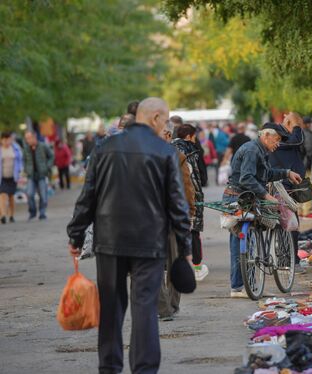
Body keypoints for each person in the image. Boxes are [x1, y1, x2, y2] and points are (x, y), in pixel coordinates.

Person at [67, 97, 192, 374]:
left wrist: (75, 235)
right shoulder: (164, 151)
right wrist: (184, 247)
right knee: (145, 306)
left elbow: (88, 196)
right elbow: (177, 205)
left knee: (111, 307)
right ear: (156, 118)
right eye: (166, 119)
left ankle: (109, 367)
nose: (166, 125)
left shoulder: (105, 147)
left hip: (109, 240)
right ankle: (144, 369)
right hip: (149, 241)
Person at [224, 124, 302, 297]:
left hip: (248, 197)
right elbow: (246, 178)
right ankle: (239, 287)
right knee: (241, 241)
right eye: (277, 139)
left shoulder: (260, 150)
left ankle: (246, 285)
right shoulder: (252, 150)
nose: (278, 144)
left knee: (247, 240)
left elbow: (265, 174)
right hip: (238, 198)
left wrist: (287, 173)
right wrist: (266, 195)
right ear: (266, 135)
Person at [157, 118, 196, 320]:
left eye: (165, 133)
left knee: (172, 262)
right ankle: (166, 307)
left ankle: (169, 305)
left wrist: (189, 213)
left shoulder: (177, 156)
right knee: (158, 263)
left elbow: (187, 188)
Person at [171, 118, 209, 282]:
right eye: (194, 137)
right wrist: (193, 203)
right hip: (188, 197)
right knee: (193, 231)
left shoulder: (169, 148)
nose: (196, 140)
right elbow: (191, 180)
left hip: (176, 198)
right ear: (188, 136)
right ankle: (196, 266)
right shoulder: (187, 151)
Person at [268, 113, 307, 274]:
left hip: (283, 185)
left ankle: (286, 258)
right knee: (290, 223)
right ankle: (291, 259)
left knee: (284, 223)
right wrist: (295, 124)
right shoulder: (283, 141)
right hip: (283, 186)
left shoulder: (281, 142)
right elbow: (298, 139)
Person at [23, 131, 53, 220]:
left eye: (29, 138)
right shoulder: (25, 149)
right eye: (26, 138)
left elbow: (51, 156)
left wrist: (47, 167)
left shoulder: (43, 146)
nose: (28, 140)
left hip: (42, 174)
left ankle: (42, 212)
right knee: (29, 194)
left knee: (43, 195)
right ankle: (32, 212)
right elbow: (24, 160)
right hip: (31, 175)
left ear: (34, 137)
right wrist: (26, 169)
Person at [0, 132, 23, 224]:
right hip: (2, 177)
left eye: (8, 139)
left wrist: (20, 171)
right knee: (3, 195)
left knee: (11, 197)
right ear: (1, 140)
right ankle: (3, 215)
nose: (6, 141)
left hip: (13, 176)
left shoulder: (15, 148)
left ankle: (11, 215)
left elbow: (20, 161)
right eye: (4, 139)